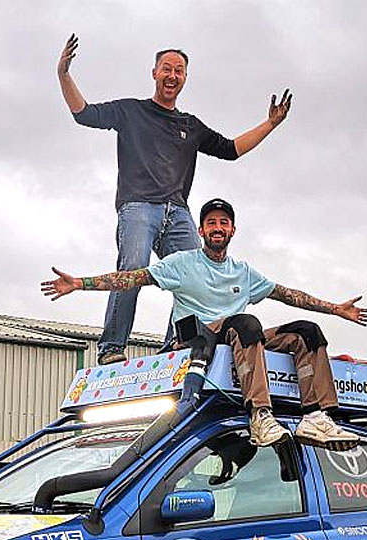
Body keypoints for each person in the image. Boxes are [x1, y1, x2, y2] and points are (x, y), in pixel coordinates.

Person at [41, 198, 367, 449]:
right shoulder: (182, 263)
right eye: (211, 223)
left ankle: (317, 417)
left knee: (307, 331)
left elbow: (287, 294)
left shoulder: (243, 272)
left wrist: (335, 309)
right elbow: (132, 278)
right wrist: (80, 283)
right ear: (201, 230)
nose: (217, 228)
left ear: (232, 230)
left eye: (223, 223)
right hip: (196, 339)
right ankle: (260, 416)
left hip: (241, 337)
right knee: (246, 322)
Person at [56, 35, 294, 364]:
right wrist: (64, 74)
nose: (172, 75)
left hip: (178, 212)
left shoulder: (190, 125)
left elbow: (231, 149)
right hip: (139, 206)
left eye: (179, 71)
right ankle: (112, 347)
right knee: (135, 268)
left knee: (196, 275)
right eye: (166, 68)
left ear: (184, 78)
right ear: (154, 73)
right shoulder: (131, 111)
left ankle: (175, 345)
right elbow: (83, 113)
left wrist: (270, 124)